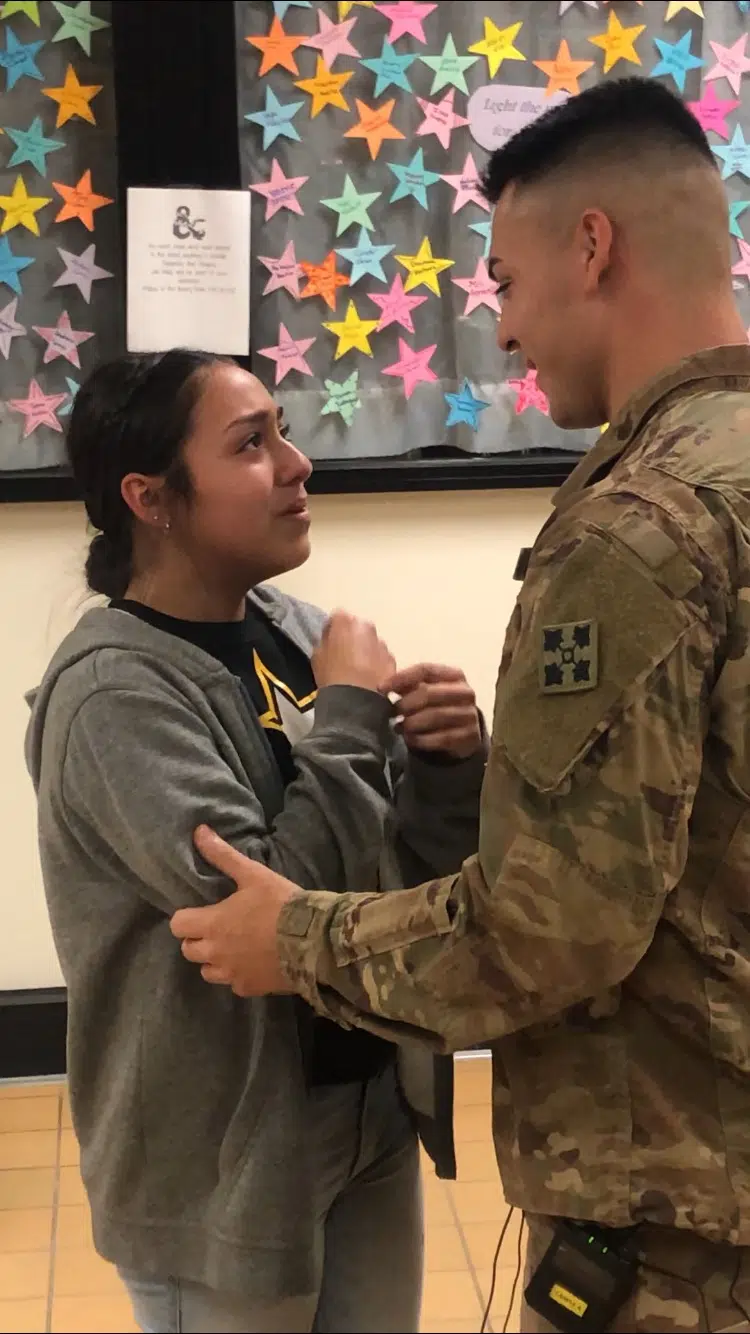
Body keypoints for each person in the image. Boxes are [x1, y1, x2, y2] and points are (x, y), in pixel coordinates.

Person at [170, 77, 750, 1334]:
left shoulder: (640, 529)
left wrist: (304, 940)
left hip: (688, 1236)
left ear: (591, 246)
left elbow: (554, 929)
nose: (501, 328)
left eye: (503, 280)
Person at [25, 348, 488, 1334]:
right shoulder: (113, 691)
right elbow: (266, 911)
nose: (296, 463)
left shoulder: (300, 631)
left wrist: (453, 761)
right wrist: (356, 713)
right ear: (150, 497)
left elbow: (409, 874)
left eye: (283, 429)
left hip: (364, 1120)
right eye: (251, 443)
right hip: (225, 1169)